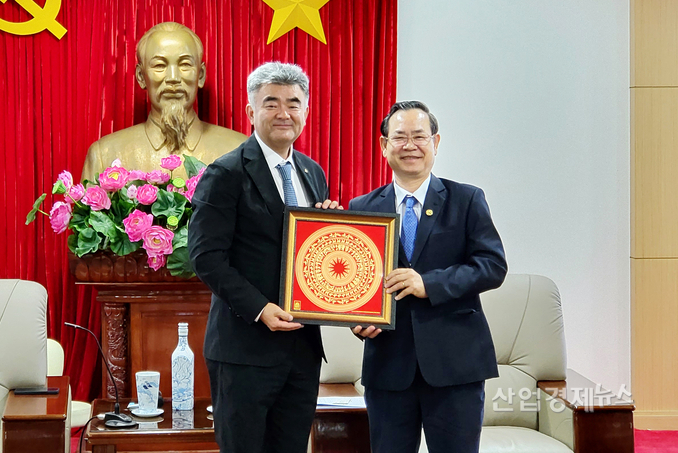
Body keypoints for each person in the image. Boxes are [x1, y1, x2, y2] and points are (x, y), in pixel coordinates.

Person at [188, 62, 340, 453]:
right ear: (251, 112)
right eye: (271, 103)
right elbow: (206, 256)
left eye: (293, 103)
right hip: (245, 350)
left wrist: (331, 231)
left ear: (306, 111)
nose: (283, 113)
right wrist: (259, 308)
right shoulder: (226, 173)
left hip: (303, 349)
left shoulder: (312, 172)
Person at [350, 101, 507, 453]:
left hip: (456, 367)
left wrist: (429, 284)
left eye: (419, 137)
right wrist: (356, 320)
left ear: (435, 143)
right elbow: (355, 282)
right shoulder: (361, 208)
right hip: (388, 367)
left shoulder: (466, 199)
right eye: (399, 137)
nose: (410, 146)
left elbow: (492, 265)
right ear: (384, 145)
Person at [81, 22, 246, 181]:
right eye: (159, 65)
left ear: (200, 75)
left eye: (185, 65)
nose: (173, 78)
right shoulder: (105, 156)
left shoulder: (240, 152)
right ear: (141, 77)